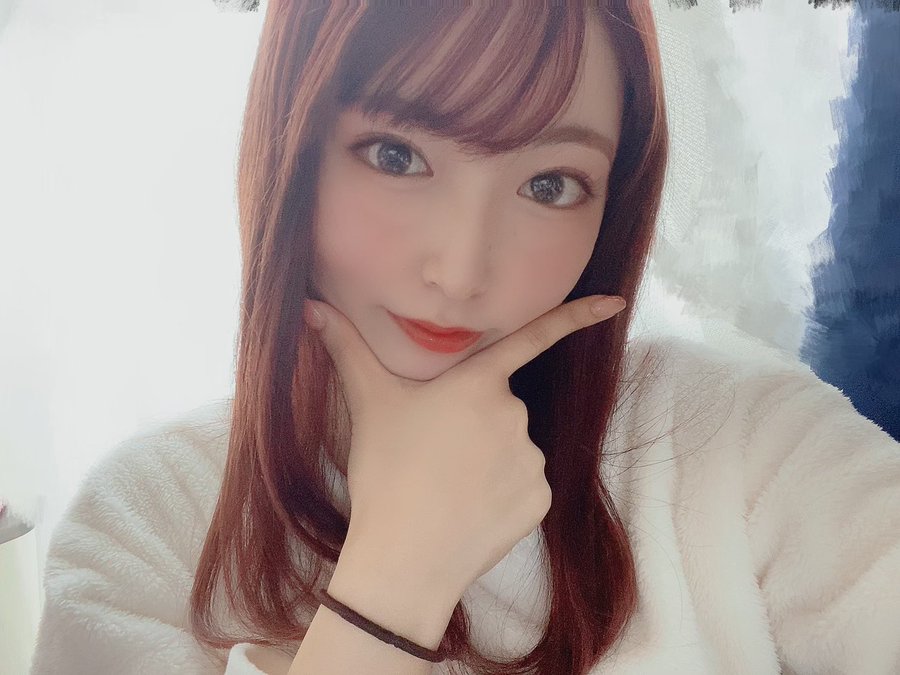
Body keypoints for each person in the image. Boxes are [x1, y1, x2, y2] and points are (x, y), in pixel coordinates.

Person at [29, 2, 900, 674]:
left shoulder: (740, 442)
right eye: (396, 155)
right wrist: (394, 578)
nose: (461, 268)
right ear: (293, 146)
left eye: (550, 184)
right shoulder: (146, 528)